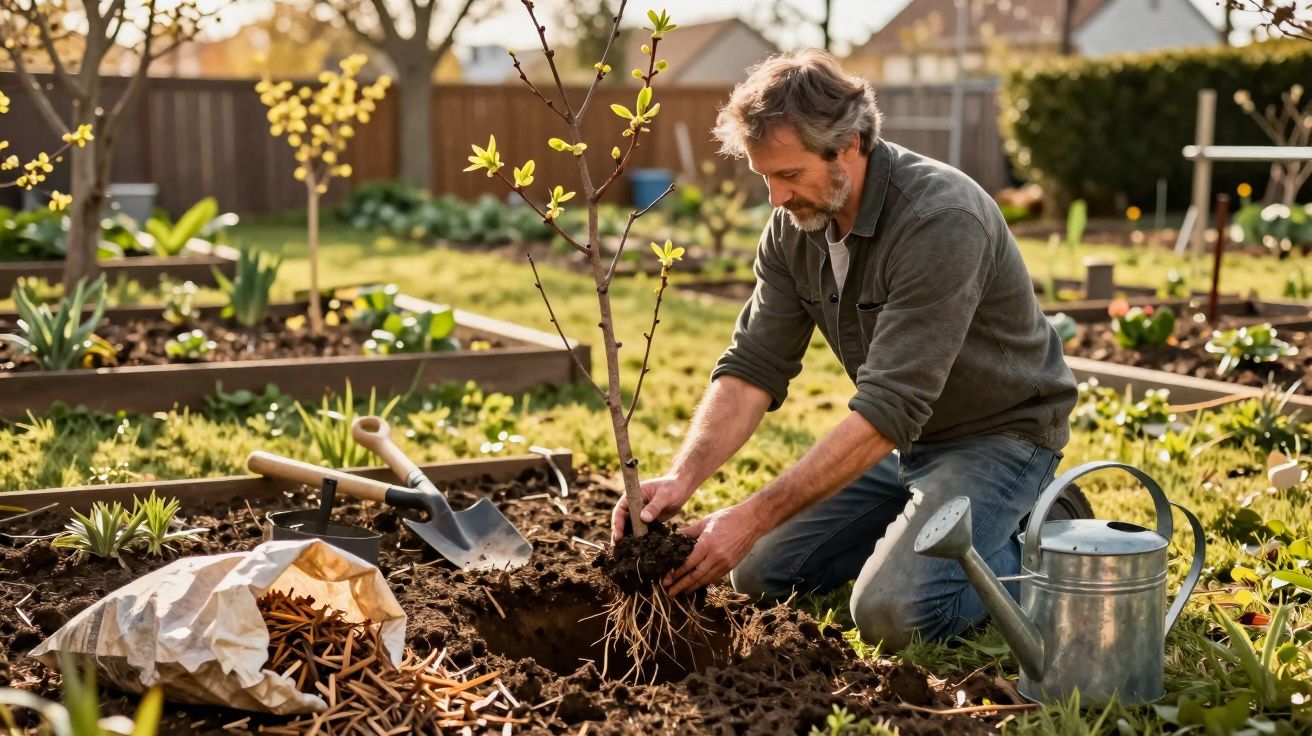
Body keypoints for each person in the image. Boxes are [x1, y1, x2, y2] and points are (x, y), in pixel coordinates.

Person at [610, 48, 1081, 649]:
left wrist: (751, 515)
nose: (775, 198)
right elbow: (754, 366)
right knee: (756, 572)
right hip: (909, 441)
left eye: (789, 175)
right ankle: (922, 523)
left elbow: (889, 406)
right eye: (765, 178)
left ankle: (1055, 530)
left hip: (1001, 436)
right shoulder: (794, 226)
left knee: (894, 615)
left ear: (851, 145)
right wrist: (683, 476)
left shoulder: (940, 220)